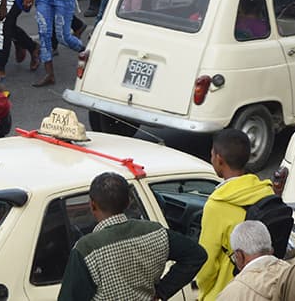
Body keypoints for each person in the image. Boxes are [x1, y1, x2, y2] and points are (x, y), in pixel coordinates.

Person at [58, 171, 207, 301]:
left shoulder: (86, 249)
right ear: (128, 202)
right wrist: (162, 291)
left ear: (92, 205)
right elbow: (196, 255)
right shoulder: (156, 232)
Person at [197, 129, 277, 301]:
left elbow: (206, 263)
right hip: (262, 287)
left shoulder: (217, 204)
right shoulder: (264, 191)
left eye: (212, 154)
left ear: (219, 159)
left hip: (227, 291)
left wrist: (203, 290)